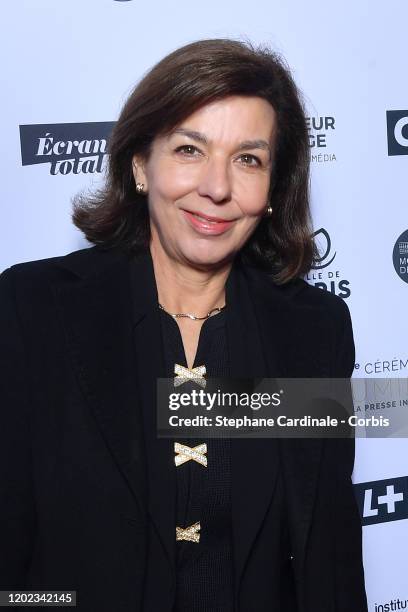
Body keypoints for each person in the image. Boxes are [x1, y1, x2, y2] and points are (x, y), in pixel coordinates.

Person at [0, 38, 367, 611]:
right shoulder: (33, 309)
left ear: (273, 191)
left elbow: (331, 557)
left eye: (248, 159)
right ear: (140, 164)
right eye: (190, 150)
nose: (217, 188)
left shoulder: (314, 332)